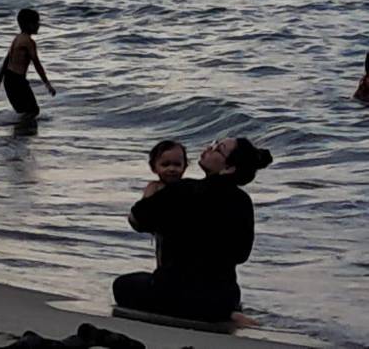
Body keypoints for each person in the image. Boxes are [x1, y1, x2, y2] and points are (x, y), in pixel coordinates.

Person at [114, 137, 273, 323]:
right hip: (225, 296)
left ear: (228, 168)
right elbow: (241, 254)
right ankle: (223, 312)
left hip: (176, 293)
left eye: (218, 149)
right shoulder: (243, 201)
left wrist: (150, 195)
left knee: (123, 285)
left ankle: (209, 312)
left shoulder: (184, 189)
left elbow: (138, 220)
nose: (209, 148)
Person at [0, 9, 55, 122]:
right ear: (29, 25)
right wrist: (47, 84)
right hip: (17, 81)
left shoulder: (17, 38)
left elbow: (6, 61)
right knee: (33, 111)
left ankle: (18, 133)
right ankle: (17, 128)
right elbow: (37, 64)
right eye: (36, 22)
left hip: (9, 79)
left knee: (25, 112)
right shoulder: (29, 42)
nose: (39, 25)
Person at [144, 141, 189, 268]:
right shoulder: (154, 187)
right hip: (162, 233)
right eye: (165, 164)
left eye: (177, 164)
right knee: (163, 258)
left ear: (185, 166)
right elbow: (143, 210)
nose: (171, 169)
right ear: (154, 167)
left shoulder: (187, 188)